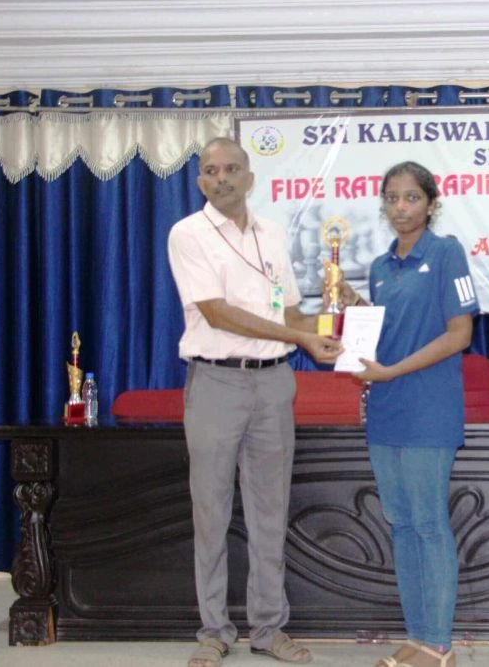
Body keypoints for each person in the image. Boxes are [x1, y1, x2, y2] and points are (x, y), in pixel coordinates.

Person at [167, 137, 343, 667]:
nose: (221, 178)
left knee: (271, 513)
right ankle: (213, 632)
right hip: (216, 384)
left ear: (250, 178)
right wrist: (303, 338)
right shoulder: (188, 233)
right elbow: (217, 313)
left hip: (273, 384)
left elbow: (288, 313)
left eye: (231, 169)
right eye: (210, 170)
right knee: (211, 513)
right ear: (200, 181)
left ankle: (269, 629)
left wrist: (338, 323)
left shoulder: (272, 233)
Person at [334, 161, 479, 667]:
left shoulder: (445, 253)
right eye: (392, 198)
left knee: (429, 523)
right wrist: (351, 304)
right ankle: (419, 637)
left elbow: (459, 335)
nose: (401, 207)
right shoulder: (380, 266)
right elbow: (386, 332)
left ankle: (439, 645)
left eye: (412, 197)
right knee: (401, 524)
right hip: (386, 410)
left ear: (431, 203)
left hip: (428, 409)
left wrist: (392, 371)